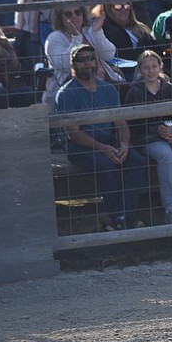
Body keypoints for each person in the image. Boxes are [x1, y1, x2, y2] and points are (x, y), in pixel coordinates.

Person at [55, 43, 147, 232]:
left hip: (108, 141)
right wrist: (103, 148)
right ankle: (121, 218)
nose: (88, 63)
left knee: (137, 160)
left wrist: (124, 143)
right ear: (73, 65)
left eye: (91, 58)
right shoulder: (65, 94)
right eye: (82, 60)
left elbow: (120, 122)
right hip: (80, 147)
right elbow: (73, 133)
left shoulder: (109, 90)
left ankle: (120, 217)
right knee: (105, 165)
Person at [124, 49, 172, 225]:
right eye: (146, 67)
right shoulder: (135, 92)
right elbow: (131, 124)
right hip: (147, 139)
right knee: (166, 156)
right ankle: (170, 208)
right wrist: (155, 129)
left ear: (160, 67)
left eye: (154, 66)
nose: (150, 70)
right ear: (139, 69)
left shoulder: (169, 89)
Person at [43, 2, 122, 109]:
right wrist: (76, 39)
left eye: (77, 12)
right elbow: (63, 64)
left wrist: (97, 33)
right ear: (60, 18)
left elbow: (108, 55)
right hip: (73, 88)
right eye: (68, 14)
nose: (74, 17)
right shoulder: (54, 38)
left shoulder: (89, 31)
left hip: (105, 82)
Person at [97, 0, 160, 65]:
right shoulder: (102, 29)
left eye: (126, 6)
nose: (123, 10)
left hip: (147, 70)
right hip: (118, 71)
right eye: (118, 6)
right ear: (107, 9)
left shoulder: (142, 29)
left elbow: (156, 50)